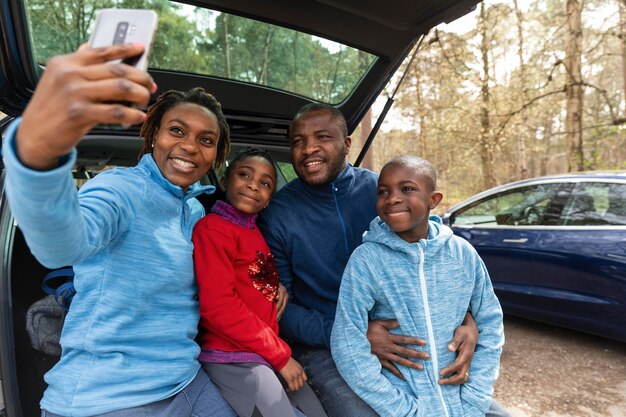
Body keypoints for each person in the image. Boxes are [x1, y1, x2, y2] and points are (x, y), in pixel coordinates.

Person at [2, 43, 236, 417]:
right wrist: (40, 153)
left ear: (217, 154)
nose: (190, 146)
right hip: (107, 396)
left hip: (186, 380)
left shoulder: (194, 209)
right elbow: (63, 242)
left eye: (206, 140)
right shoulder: (119, 189)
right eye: (177, 130)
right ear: (153, 135)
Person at [258, 103, 511, 417]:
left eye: (322, 137)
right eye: (298, 141)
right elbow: (276, 305)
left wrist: (469, 321)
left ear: (346, 144)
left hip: (408, 337)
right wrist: (356, 335)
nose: (309, 148)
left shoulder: (383, 192)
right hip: (323, 346)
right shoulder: (276, 214)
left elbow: (435, 261)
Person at [331, 155, 504, 416]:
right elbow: (347, 341)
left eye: (407, 189)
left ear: (433, 200)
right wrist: (401, 408)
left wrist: (476, 395)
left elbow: (490, 321)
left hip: (463, 400)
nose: (392, 198)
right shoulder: (367, 260)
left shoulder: (461, 253)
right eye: (383, 192)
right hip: (405, 403)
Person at [192, 147, 328, 417]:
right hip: (233, 357)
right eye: (244, 175)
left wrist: (275, 286)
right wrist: (280, 356)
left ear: (268, 200)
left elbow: (249, 278)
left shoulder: (254, 232)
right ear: (223, 181)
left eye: (265, 183)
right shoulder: (213, 229)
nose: (253, 185)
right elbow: (218, 306)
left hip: (263, 352)